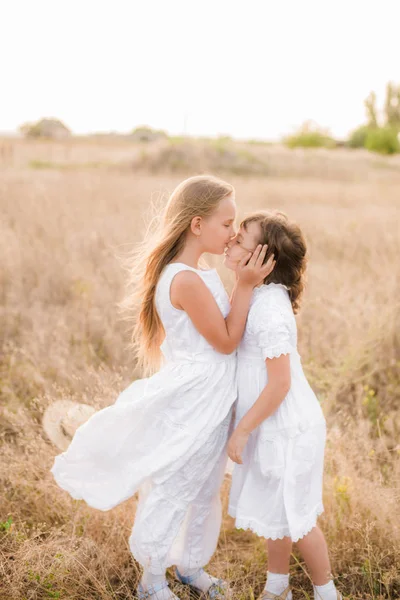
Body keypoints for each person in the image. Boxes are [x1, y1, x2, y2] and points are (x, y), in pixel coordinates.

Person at [50, 175, 274, 600]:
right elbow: (225, 341)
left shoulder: (201, 272)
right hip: (194, 396)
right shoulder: (184, 279)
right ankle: (150, 580)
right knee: (177, 484)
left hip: (214, 393)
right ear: (196, 225)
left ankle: (191, 566)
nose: (232, 234)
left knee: (205, 487)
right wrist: (246, 285)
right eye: (226, 224)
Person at [225, 211, 341, 600]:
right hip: (270, 422)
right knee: (278, 514)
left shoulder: (270, 309)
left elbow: (280, 382)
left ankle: (328, 594)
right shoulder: (257, 295)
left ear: (265, 260)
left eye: (240, 240)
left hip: (287, 426)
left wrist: (242, 430)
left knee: (297, 515)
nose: (230, 242)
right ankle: (277, 588)